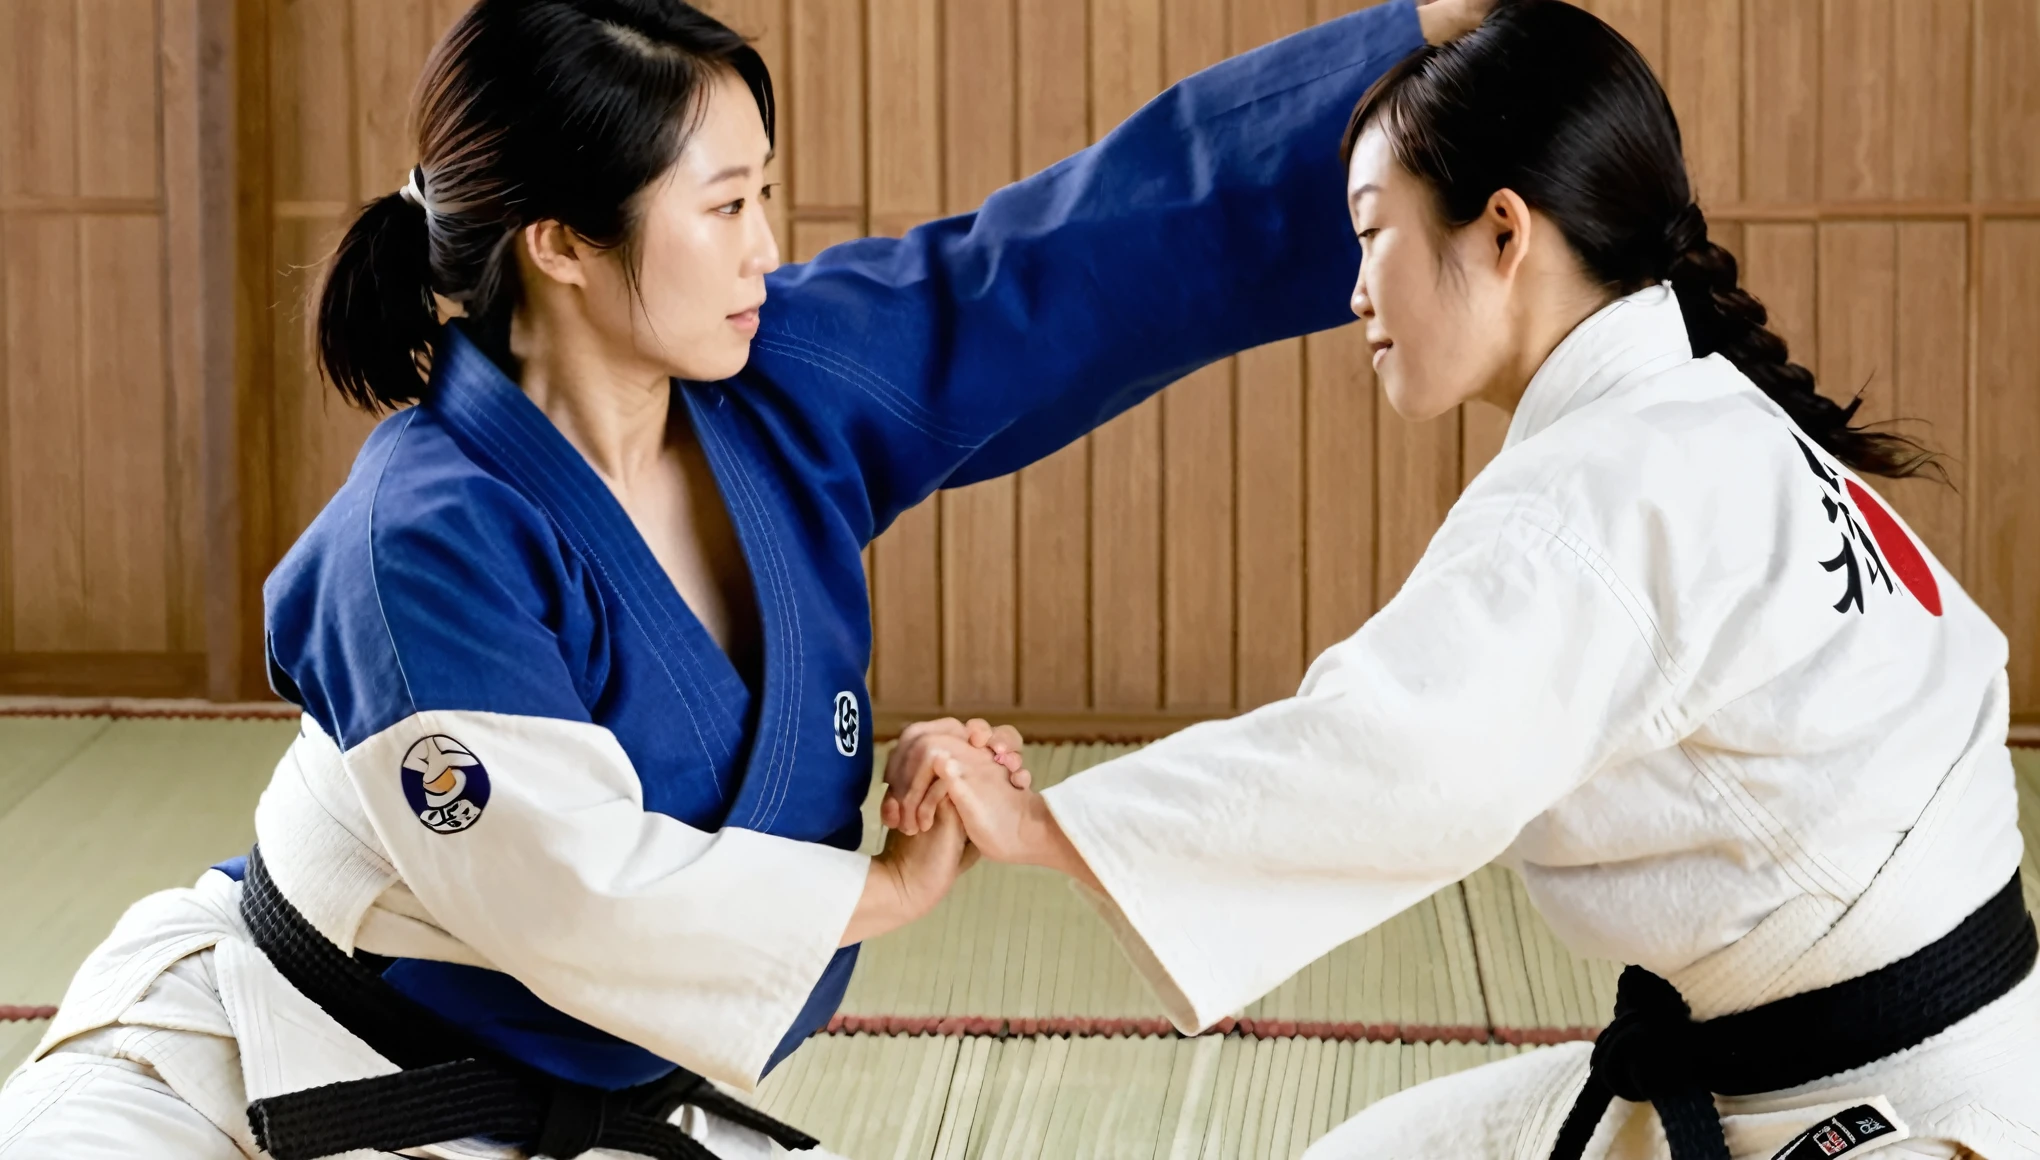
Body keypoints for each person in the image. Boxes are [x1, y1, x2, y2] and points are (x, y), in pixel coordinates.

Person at [0, 1, 1495, 1157]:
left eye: (762, 196)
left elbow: (1067, 263)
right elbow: (577, 896)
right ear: (564, 243)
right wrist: (887, 889)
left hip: (593, 1110)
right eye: (723, 209)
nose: (767, 250)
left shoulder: (776, 377)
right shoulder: (422, 534)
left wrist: (1412, 40)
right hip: (260, 1068)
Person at [913, 3, 2040, 1158]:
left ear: (1504, 231)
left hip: (1908, 1111)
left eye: (1371, 233)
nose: (1355, 293)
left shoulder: (1603, 486)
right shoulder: (1706, 416)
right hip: (1902, 1041)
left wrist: (1044, 819)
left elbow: (1391, 755)